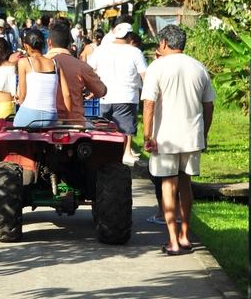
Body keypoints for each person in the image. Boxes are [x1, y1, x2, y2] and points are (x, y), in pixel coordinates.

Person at [141, 24, 215, 256]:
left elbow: (149, 103)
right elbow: (209, 105)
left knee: (168, 185)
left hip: (166, 138)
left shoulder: (157, 67)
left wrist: (147, 134)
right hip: (191, 136)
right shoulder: (199, 67)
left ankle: (172, 240)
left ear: (163, 43)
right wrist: (204, 133)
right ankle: (185, 236)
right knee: (185, 184)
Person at [89, 21, 147, 164]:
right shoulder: (135, 52)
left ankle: (102, 155)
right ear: (129, 36)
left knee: (102, 129)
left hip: (104, 96)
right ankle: (126, 153)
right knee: (125, 129)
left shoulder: (101, 50)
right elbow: (145, 75)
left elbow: (89, 70)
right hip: (127, 96)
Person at [46, 23, 105, 120]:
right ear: (70, 44)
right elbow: (101, 91)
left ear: (49, 42)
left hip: (43, 122)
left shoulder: (34, 65)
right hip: (75, 122)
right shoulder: (81, 66)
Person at [13, 29, 59, 128]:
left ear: (26, 45)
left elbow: (22, 96)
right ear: (44, 44)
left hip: (29, 115)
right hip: (51, 116)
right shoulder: (55, 63)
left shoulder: (24, 62)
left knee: (14, 136)